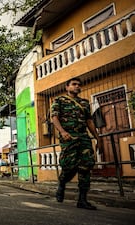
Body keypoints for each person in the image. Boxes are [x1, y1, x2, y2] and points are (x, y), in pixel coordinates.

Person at [51, 77, 103, 210]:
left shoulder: (84, 103)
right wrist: (62, 132)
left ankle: (82, 200)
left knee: (86, 166)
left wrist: (97, 137)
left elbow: (89, 122)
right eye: (74, 84)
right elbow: (54, 117)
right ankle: (62, 183)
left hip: (83, 138)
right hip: (68, 138)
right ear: (67, 87)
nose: (77, 86)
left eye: (79, 85)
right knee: (69, 167)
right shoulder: (59, 101)